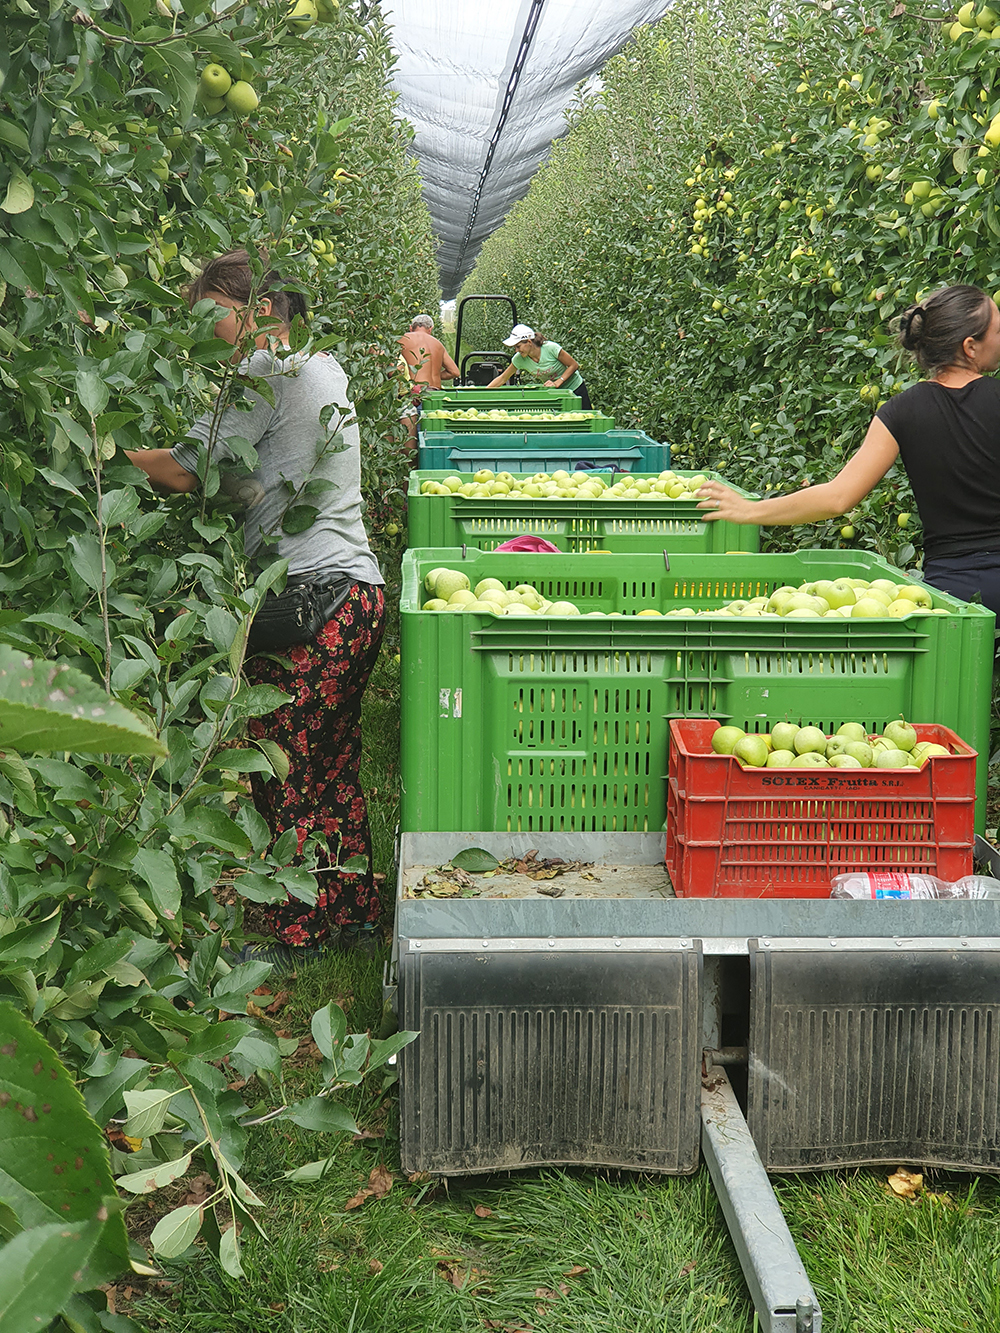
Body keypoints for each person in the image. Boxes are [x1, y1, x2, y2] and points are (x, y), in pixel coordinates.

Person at [125, 249, 386, 968]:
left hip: (312, 602)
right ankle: (353, 912)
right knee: (330, 762)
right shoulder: (320, 365)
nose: (200, 326)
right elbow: (257, 475)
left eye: (209, 310)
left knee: (282, 767)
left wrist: (106, 452)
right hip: (358, 594)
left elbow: (188, 471)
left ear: (257, 310)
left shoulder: (266, 368)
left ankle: (296, 934)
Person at [696, 284, 1000, 617]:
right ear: (970, 346)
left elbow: (837, 498)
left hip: (950, 595)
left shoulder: (899, 412)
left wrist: (751, 511)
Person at [486, 324, 592, 408]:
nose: (516, 350)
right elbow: (503, 378)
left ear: (528, 342)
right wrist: (484, 392)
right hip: (555, 394)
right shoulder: (519, 359)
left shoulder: (551, 348)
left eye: (518, 346)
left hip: (575, 389)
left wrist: (558, 382)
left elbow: (573, 365)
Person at [397, 313, 460, 442]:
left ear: (411, 328)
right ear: (430, 329)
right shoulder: (438, 344)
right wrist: (436, 374)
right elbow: (454, 372)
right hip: (434, 396)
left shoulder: (403, 339)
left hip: (413, 395)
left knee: (411, 443)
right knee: (431, 440)